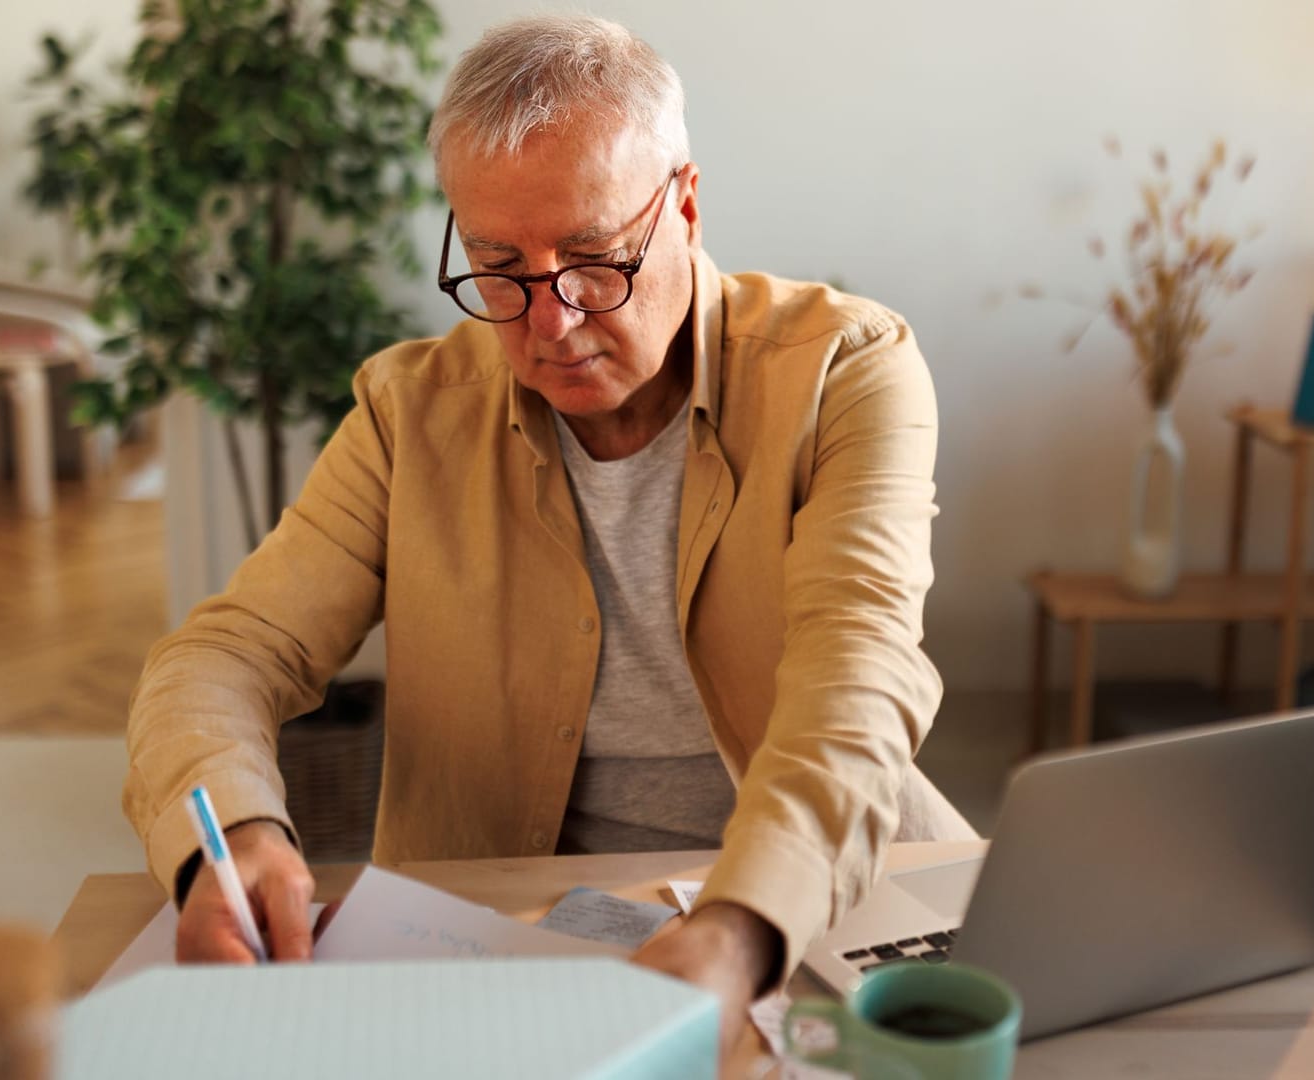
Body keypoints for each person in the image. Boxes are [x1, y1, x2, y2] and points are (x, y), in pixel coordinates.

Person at [123, 12, 969, 1049]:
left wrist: (738, 930)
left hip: (810, 897)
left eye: (596, 259)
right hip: (508, 925)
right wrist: (234, 838)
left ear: (687, 207)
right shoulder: (409, 412)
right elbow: (225, 653)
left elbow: (862, 675)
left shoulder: (846, 369)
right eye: (501, 268)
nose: (551, 322)